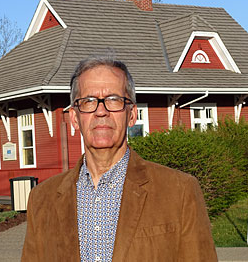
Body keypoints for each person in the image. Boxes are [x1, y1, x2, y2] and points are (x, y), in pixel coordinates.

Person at [21, 56, 217, 261]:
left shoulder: (180, 191)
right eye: (88, 101)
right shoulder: (42, 200)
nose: (101, 111)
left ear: (131, 114)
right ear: (74, 118)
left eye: (113, 100)